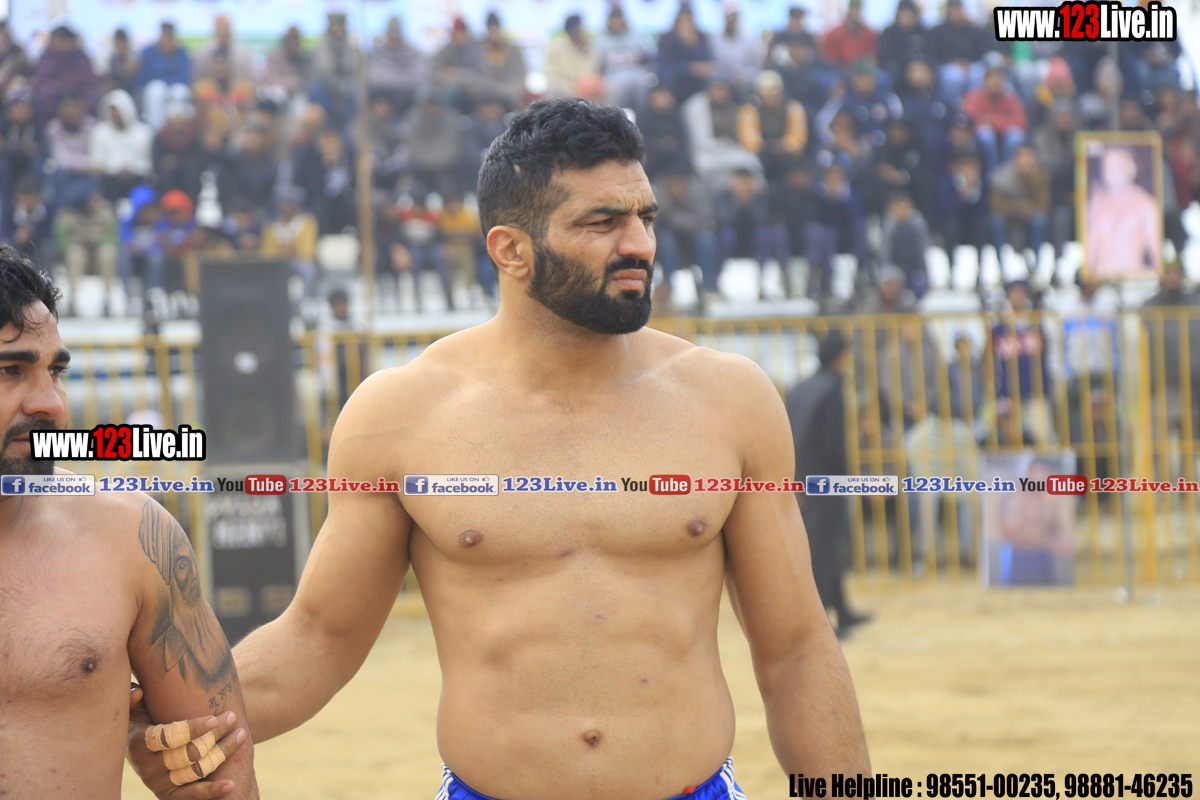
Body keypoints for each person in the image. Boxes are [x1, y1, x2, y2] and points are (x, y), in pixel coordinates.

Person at [128, 97, 870, 798]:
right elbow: (319, 637)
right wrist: (156, 711)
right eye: (603, 222)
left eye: (645, 217)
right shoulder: (401, 414)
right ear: (511, 250)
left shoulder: (730, 399)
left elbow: (797, 649)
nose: (640, 244)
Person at [0, 245, 257, 796]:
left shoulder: (132, 536)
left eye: (55, 372)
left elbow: (224, 778)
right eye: (10, 371)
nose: (51, 405)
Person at [785, 332, 873, 638]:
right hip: (827, 481)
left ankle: (843, 611)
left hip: (800, 478)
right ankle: (821, 624)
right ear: (840, 358)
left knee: (826, 544)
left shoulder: (800, 388)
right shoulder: (832, 391)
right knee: (825, 549)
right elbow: (835, 446)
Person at [1085, 146, 1162, 279]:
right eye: (1108, 166)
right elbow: (1091, 249)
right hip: (1102, 279)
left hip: (1134, 279)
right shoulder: (1097, 204)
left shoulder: (1146, 204)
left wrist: (1159, 279)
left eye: (1118, 165)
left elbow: (1156, 251)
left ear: (1131, 168)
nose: (1112, 171)